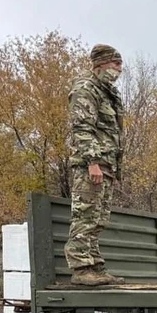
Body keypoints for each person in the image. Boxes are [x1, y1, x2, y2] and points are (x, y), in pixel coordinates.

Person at [64, 43, 126, 286]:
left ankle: (95, 267)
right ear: (100, 64)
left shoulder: (107, 91)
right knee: (85, 215)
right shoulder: (86, 88)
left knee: (99, 218)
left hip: (106, 165)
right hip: (91, 165)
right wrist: (93, 162)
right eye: (116, 64)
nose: (119, 70)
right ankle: (81, 268)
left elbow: (113, 132)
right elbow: (82, 128)